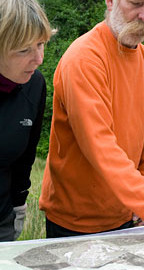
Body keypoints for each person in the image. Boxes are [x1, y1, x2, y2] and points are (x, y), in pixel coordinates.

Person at [39, 0, 144, 246]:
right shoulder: (84, 58)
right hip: (75, 222)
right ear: (110, 1)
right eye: (136, 3)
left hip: (128, 215)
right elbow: (99, 145)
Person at [0, 0, 52, 241]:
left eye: (41, 44)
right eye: (24, 50)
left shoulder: (34, 84)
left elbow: (25, 156)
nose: (39, 58)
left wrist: (19, 206)